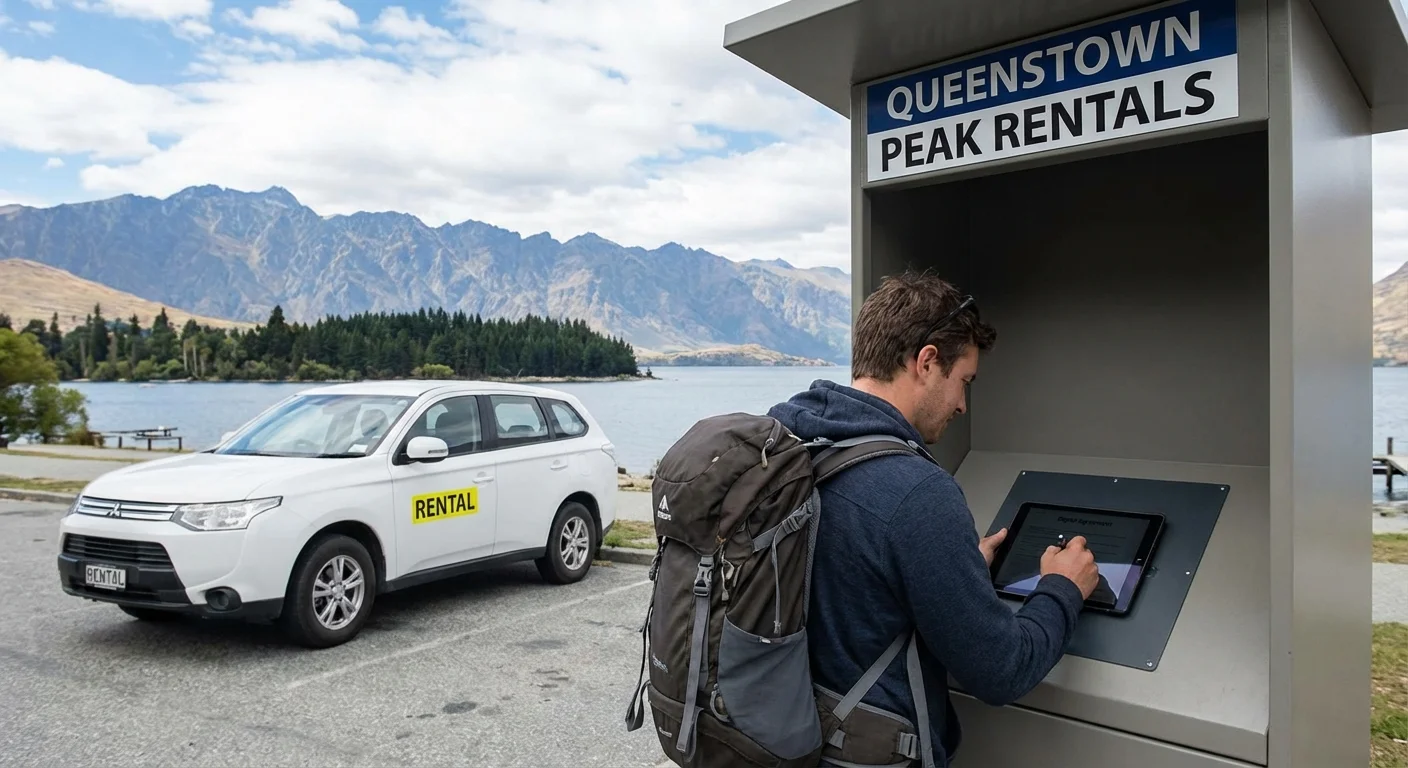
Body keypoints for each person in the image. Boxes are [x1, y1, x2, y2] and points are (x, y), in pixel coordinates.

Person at [766, 269, 1100, 766]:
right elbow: (1002, 670)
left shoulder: (794, 441)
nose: (963, 405)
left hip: (789, 738)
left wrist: (954, 570)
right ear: (926, 362)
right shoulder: (917, 492)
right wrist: (1062, 588)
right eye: (964, 381)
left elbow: (855, 585)